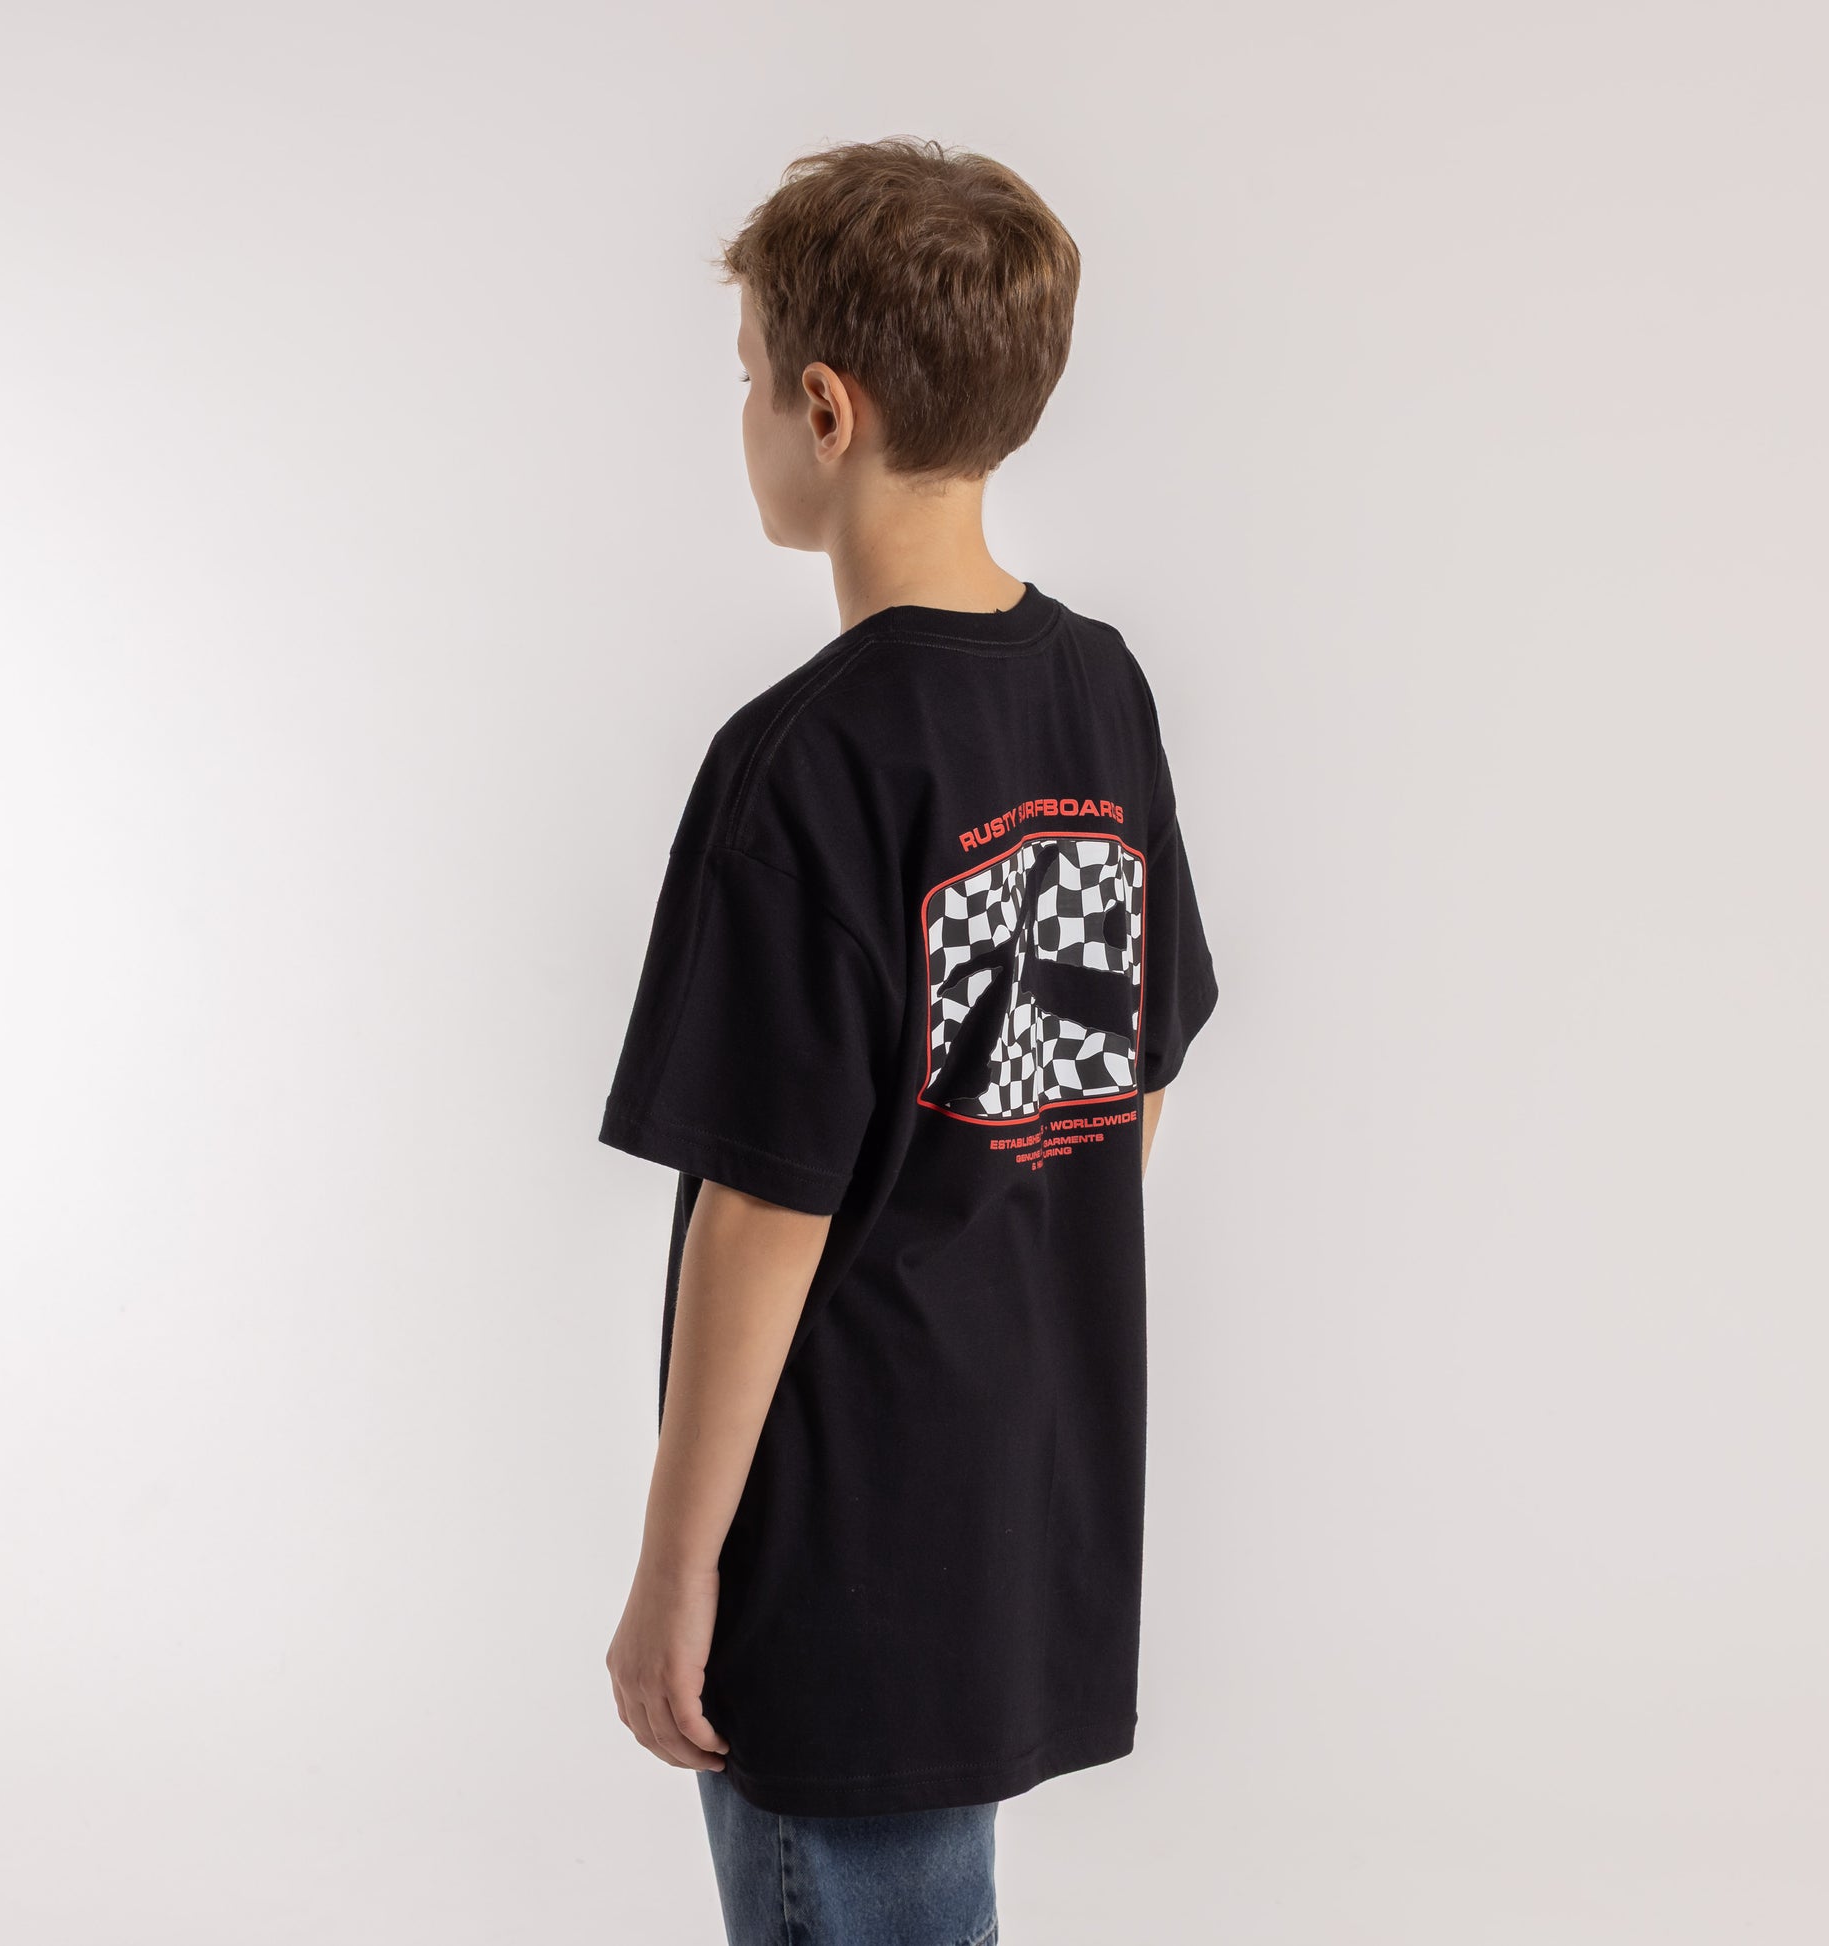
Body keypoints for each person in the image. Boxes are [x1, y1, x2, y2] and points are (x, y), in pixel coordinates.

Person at [598, 137, 1219, 1946]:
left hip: (838, 1518)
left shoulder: (802, 761)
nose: (743, 418)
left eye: (746, 380)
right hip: (1015, 1473)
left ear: (823, 406)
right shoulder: (1097, 688)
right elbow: (1127, 1075)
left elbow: (763, 1206)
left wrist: (674, 1568)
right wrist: (998, 1262)